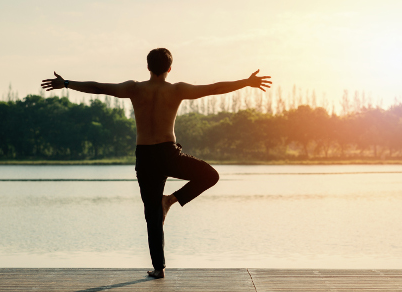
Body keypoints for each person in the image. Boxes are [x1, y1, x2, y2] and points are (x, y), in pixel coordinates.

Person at [41, 48, 272, 278]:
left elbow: (99, 87)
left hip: (145, 156)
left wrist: (67, 83)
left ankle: (159, 265)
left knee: (152, 214)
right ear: (170, 68)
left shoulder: (135, 89)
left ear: (148, 67)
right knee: (210, 176)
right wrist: (247, 82)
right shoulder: (177, 90)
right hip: (168, 154)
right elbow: (214, 89)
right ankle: (170, 203)